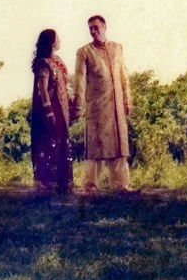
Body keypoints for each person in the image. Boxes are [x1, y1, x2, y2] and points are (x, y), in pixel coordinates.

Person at [74, 14, 133, 193]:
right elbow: (79, 80)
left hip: (116, 106)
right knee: (95, 145)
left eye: (96, 27)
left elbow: (123, 75)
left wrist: (127, 100)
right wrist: (77, 105)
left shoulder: (117, 48)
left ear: (105, 27)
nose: (93, 31)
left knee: (119, 144)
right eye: (90, 28)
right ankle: (90, 186)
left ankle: (121, 186)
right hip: (97, 107)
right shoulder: (84, 52)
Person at [27, 28, 74, 196]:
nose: (60, 40)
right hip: (51, 109)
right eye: (58, 38)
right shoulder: (43, 63)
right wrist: (49, 111)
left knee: (61, 142)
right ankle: (48, 182)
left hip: (61, 108)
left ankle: (62, 182)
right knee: (49, 142)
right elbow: (43, 88)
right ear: (52, 42)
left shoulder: (58, 61)